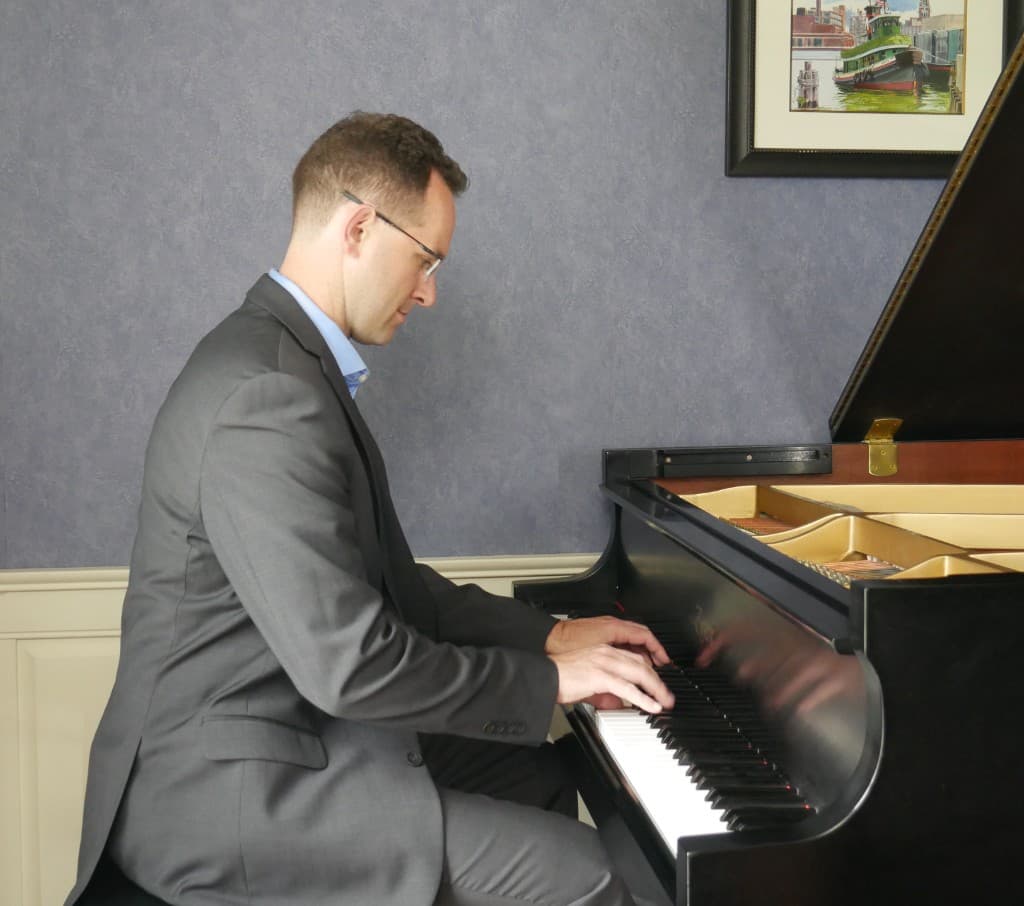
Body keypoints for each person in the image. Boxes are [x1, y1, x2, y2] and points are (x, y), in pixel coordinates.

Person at [65, 112, 675, 906]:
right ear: (359, 228)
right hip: (234, 797)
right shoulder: (268, 396)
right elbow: (351, 664)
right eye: (425, 259)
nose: (428, 292)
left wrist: (552, 636)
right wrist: (547, 681)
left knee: (533, 775)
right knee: (595, 875)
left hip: (290, 740)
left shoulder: (285, 363)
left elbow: (394, 589)